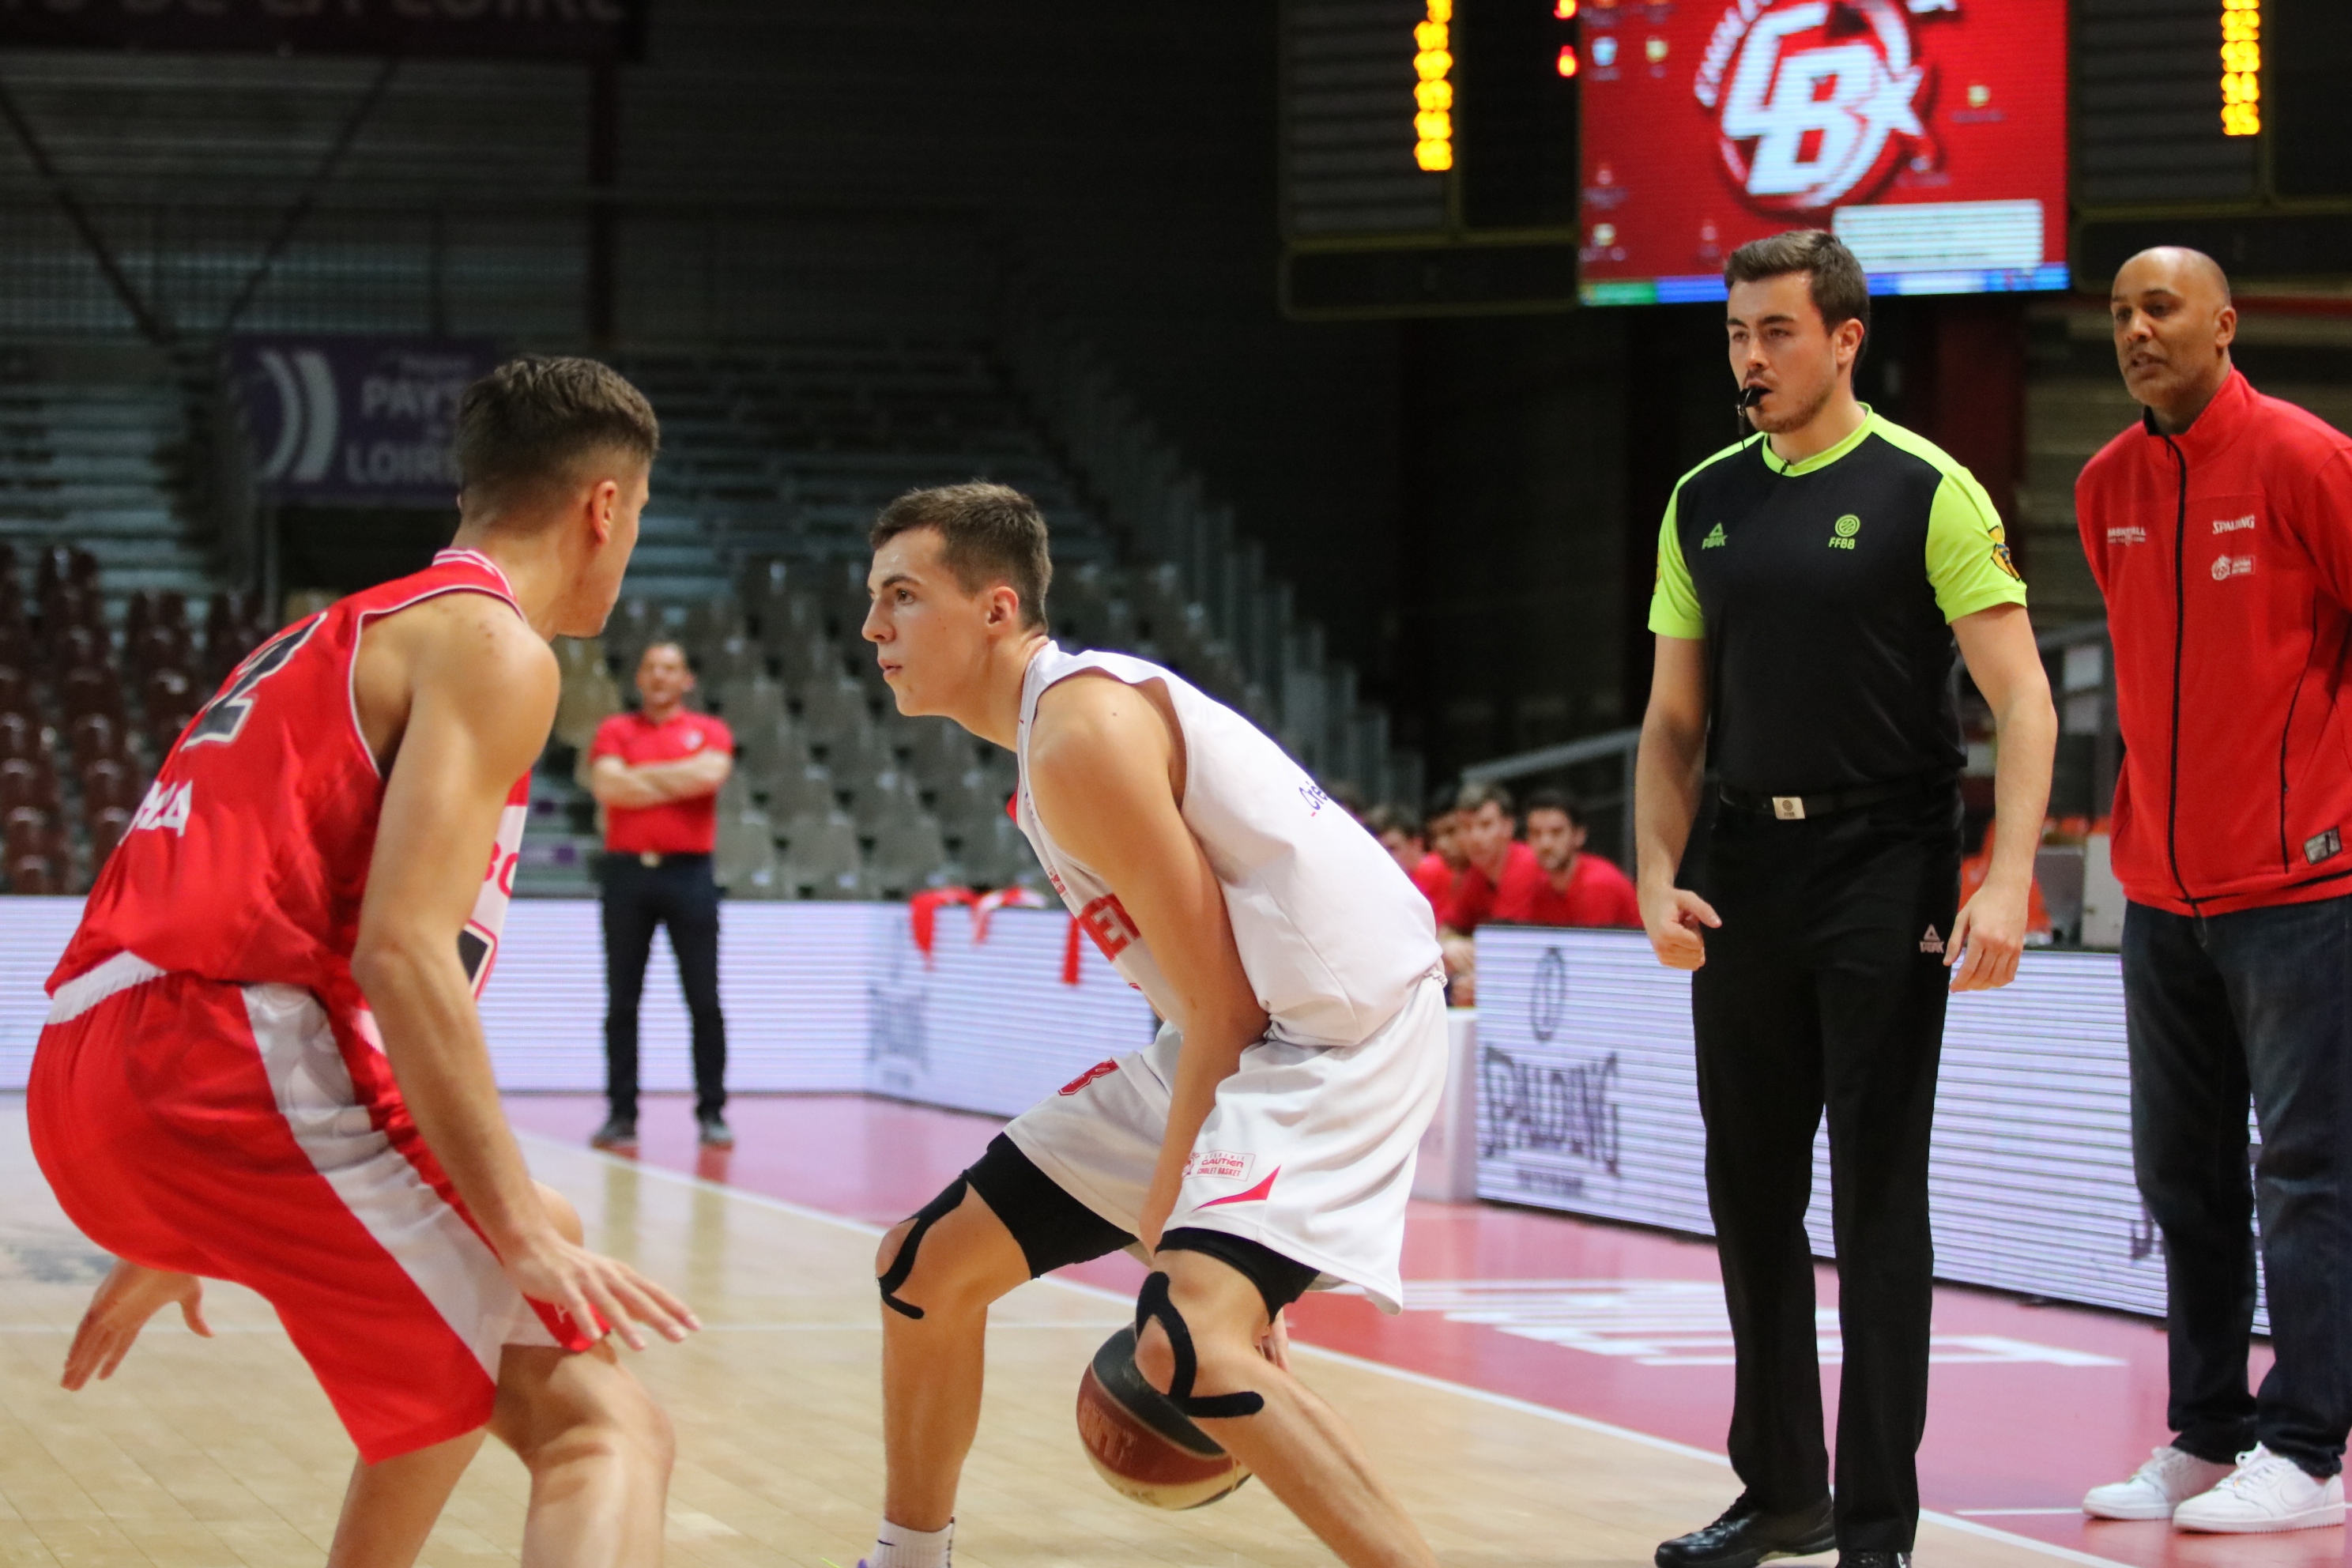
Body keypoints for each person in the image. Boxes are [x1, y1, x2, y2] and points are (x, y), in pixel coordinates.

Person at [27, 356, 696, 1566]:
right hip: (224, 1065)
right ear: (605, 506)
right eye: (639, 517)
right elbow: (401, 949)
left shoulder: (325, 634)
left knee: (486, 1299)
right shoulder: (495, 649)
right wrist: (518, 1230)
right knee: (604, 1429)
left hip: (91, 1077)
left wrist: (175, 1214)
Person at [856, 482, 1448, 1568]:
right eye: (873, 599)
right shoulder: (1053, 735)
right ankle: (906, 1559)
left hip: (1337, 1035)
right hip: (1252, 1029)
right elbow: (1202, 997)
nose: (873, 628)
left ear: (995, 609)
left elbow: (1223, 1002)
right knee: (925, 1269)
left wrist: (1174, 1230)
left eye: (902, 596)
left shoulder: (1082, 731)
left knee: (1188, 1344)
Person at [1634, 230, 2056, 1568]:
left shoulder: (1927, 488)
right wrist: (1655, 871)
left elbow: (2025, 698)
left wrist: (2002, 876)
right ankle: (1783, 1491)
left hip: (1887, 861)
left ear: (1844, 337)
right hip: (1741, 869)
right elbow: (1669, 723)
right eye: (1736, 336)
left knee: (1877, 1195)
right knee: (1748, 1191)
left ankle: (1875, 1524)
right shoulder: (1702, 498)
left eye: (1774, 333)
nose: (1750, 359)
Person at [2073, 247, 2352, 1535]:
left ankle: (2306, 1442)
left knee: (2303, 1169)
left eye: (2160, 308)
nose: (2135, 329)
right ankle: (2204, 1428)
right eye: (2121, 313)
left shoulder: (2303, 457)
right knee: (2183, 1175)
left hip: (2299, 888)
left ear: (2225, 323)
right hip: (2159, 893)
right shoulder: (2102, 487)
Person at [586, 640, 735, 1152]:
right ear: (639, 678)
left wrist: (636, 779)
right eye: (651, 668)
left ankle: (712, 1111)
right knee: (622, 1001)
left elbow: (709, 775)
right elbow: (609, 788)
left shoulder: (710, 731)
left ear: (686, 680)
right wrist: (676, 779)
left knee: (704, 999)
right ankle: (620, 1114)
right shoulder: (614, 730)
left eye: (670, 668)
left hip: (689, 875)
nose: (660, 676)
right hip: (628, 876)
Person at [1493, 789, 1641, 929]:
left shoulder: (1599, 883)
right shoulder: (1533, 883)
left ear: (1579, 835)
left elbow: (1589, 950)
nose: (1546, 844)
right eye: (1536, 833)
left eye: (1556, 832)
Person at [1365, 802, 1450, 920]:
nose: (1385, 857)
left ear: (1416, 844)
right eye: (1379, 850)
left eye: (1392, 848)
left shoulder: (1430, 869)